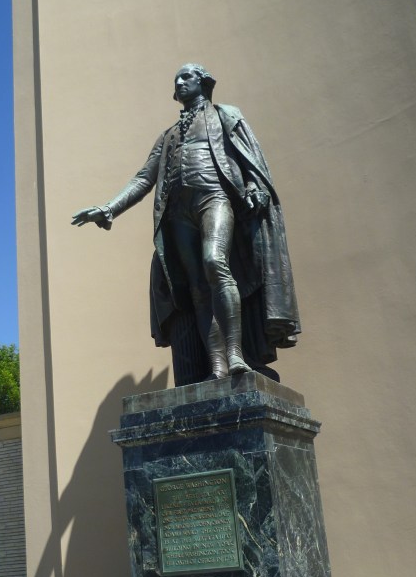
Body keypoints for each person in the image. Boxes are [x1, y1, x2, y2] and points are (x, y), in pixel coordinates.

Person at [72, 64, 300, 385]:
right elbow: (143, 177)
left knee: (215, 262)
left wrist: (254, 186)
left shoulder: (225, 115)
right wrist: (109, 208)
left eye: (186, 77)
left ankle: (235, 353)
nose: (179, 83)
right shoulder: (168, 136)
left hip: (214, 196)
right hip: (177, 213)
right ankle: (217, 364)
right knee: (197, 288)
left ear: (203, 82)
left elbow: (249, 157)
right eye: (176, 80)